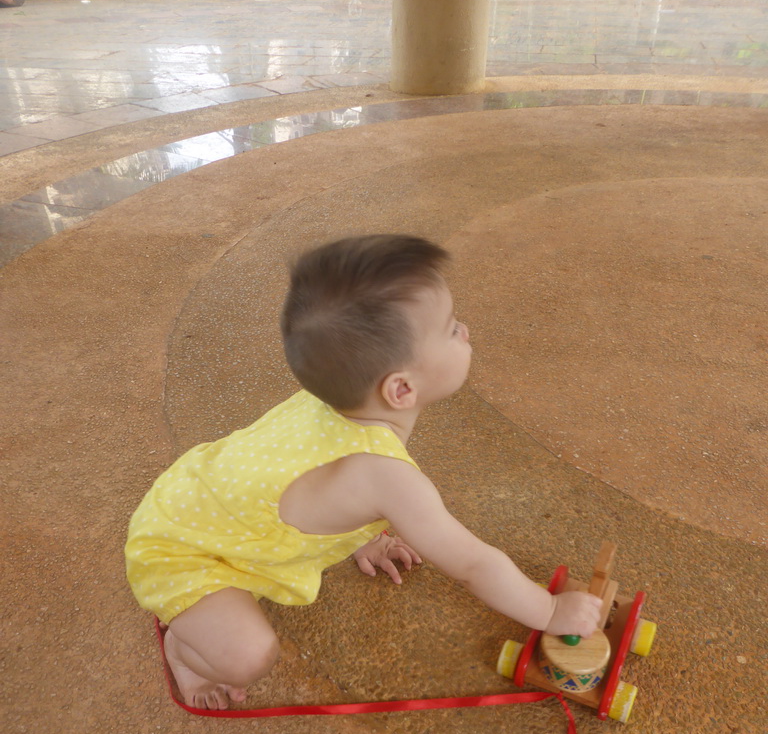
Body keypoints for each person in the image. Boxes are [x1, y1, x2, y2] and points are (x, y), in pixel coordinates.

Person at [125, 235, 601, 709]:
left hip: (192, 496)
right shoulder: (389, 479)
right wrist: (550, 610)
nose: (467, 330)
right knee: (247, 657)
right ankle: (184, 651)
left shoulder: (335, 397)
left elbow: (328, 484)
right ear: (400, 389)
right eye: (452, 328)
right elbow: (474, 566)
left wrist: (362, 535)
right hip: (179, 550)